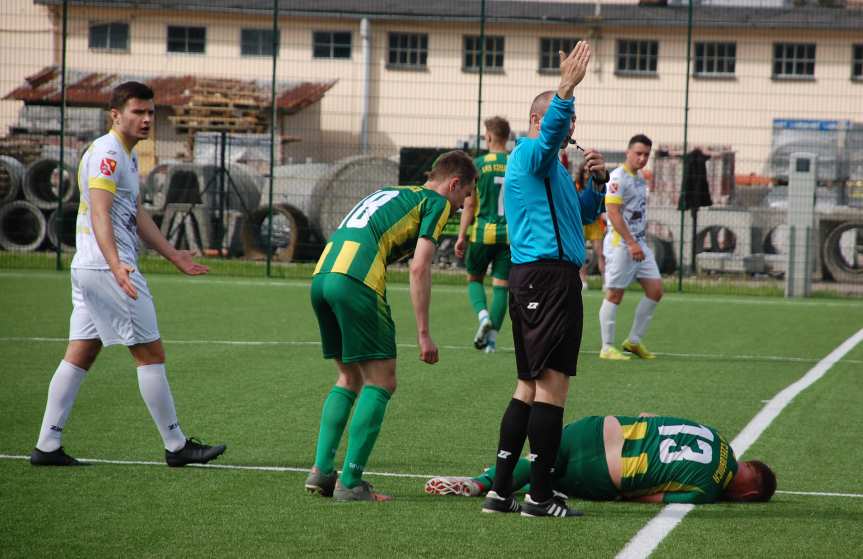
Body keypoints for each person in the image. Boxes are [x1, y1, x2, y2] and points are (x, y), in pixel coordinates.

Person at [30, 82, 226, 468]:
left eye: (150, 112)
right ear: (115, 114)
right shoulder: (107, 152)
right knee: (150, 352)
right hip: (108, 268)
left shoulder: (127, 156)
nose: (147, 119)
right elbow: (100, 212)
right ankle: (176, 445)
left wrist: (174, 256)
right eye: (138, 111)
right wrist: (117, 263)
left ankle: (47, 445)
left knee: (82, 352)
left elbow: (136, 215)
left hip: (93, 267)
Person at [304, 150, 477, 502]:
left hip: (322, 276)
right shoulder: (436, 202)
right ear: (454, 184)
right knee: (383, 381)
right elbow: (419, 267)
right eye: (465, 196)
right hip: (356, 280)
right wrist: (424, 333)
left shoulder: (394, 192)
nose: (462, 206)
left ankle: (322, 471)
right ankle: (350, 483)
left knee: (349, 377)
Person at [484, 41, 607, 518]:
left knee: (528, 386)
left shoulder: (550, 168)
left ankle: (500, 490)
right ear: (539, 122)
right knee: (553, 385)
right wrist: (566, 90)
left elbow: (577, 217)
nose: (568, 133)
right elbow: (552, 127)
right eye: (562, 125)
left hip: (540, 280)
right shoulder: (531, 154)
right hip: (546, 282)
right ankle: (538, 496)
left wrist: (596, 183)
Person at [426, 413, 776, 505]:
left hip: (601, 428)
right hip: (605, 473)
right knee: (547, 478)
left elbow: (650, 414)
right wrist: (624, 495)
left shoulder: (717, 436)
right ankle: (483, 485)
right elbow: (655, 497)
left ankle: (486, 481)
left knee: (544, 458)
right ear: (749, 494)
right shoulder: (710, 490)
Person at [599, 134, 662, 361]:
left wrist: (638, 242)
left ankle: (633, 341)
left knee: (655, 290)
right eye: (638, 153)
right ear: (628, 152)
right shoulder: (617, 178)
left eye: (646, 154)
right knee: (615, 294)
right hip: (621, 244)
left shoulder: (639, 178)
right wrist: (631, 242)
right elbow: (613, 213)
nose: (642, 158)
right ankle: (606, 347)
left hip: (639, 242)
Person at [454, 116, 511, 353]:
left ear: (488, 137)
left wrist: (461, 236)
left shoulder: (477, 165)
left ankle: (483, 316)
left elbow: (468, 205)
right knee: (501, 286)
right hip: (508, 236)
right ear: (507, 138)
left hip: (481, 234)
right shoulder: (515, 163)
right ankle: (492, 342)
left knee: (474, 279)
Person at [575, 161, 606, 291]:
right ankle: (582, 280)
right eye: (585, 172)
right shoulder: (575, 186)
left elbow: (602, 205)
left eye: (590, 172)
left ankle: (606, 281)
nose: (587, 175)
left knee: (600, 252)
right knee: (581, 253)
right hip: (580, 223)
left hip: (595, 222)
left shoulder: (597, 185)